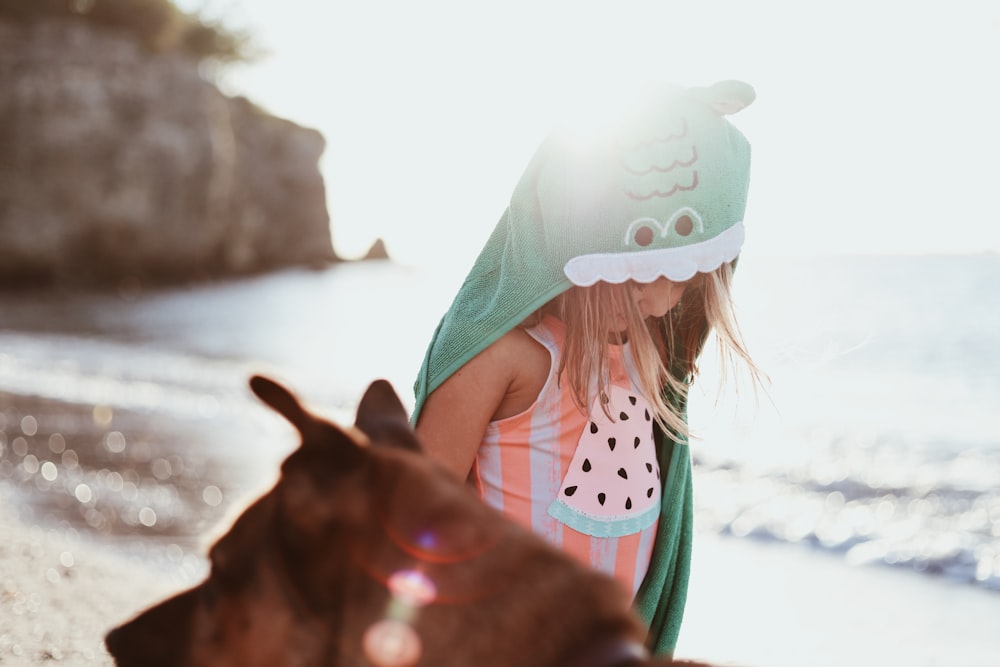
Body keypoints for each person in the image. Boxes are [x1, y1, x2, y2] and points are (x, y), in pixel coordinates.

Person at [411, 80, 763, 657]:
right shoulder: (507, 357)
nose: (662, 299)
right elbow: (410, 509)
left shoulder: (647, 357)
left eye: (686, 274)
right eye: (641, 271)